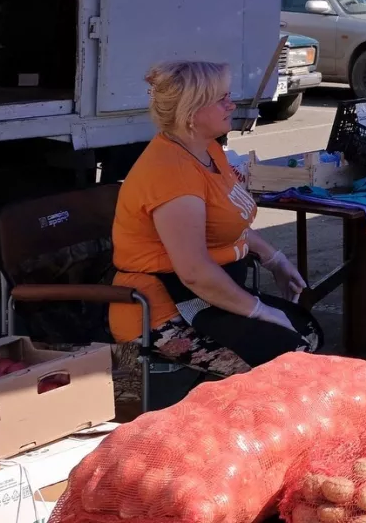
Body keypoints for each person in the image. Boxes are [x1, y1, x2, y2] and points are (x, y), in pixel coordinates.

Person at [111, 61, 315, 377]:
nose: (231, 105)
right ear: (191, 114)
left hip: (203, 298)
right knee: (290, 360)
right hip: (164, 314)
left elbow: (228, 224)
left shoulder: (207, 150)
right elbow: (193, 271)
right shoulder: (171, 173)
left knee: (307, 331)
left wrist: (275, 260)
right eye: (221, 98)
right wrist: (259, 310)